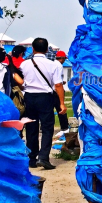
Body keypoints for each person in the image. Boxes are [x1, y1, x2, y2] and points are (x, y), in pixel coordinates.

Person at [20, 38, 65, 170]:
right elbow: (58, 85)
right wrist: (62, 103)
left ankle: (32, 158)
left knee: (31, 128)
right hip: (45, 97)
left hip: (29, 97)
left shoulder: (24, 64)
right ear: (47, 50)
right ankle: (43, 157)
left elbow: (21, 82)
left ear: (32, 49)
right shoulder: (54, 65)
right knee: (47, 128)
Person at [54, 50, 70, 133]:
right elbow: (57, 83)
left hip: (51, 90)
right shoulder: (59, 65)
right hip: (57, 90)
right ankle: (64, 127)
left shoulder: (52, 64)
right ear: (62, 58)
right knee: (61, 108)